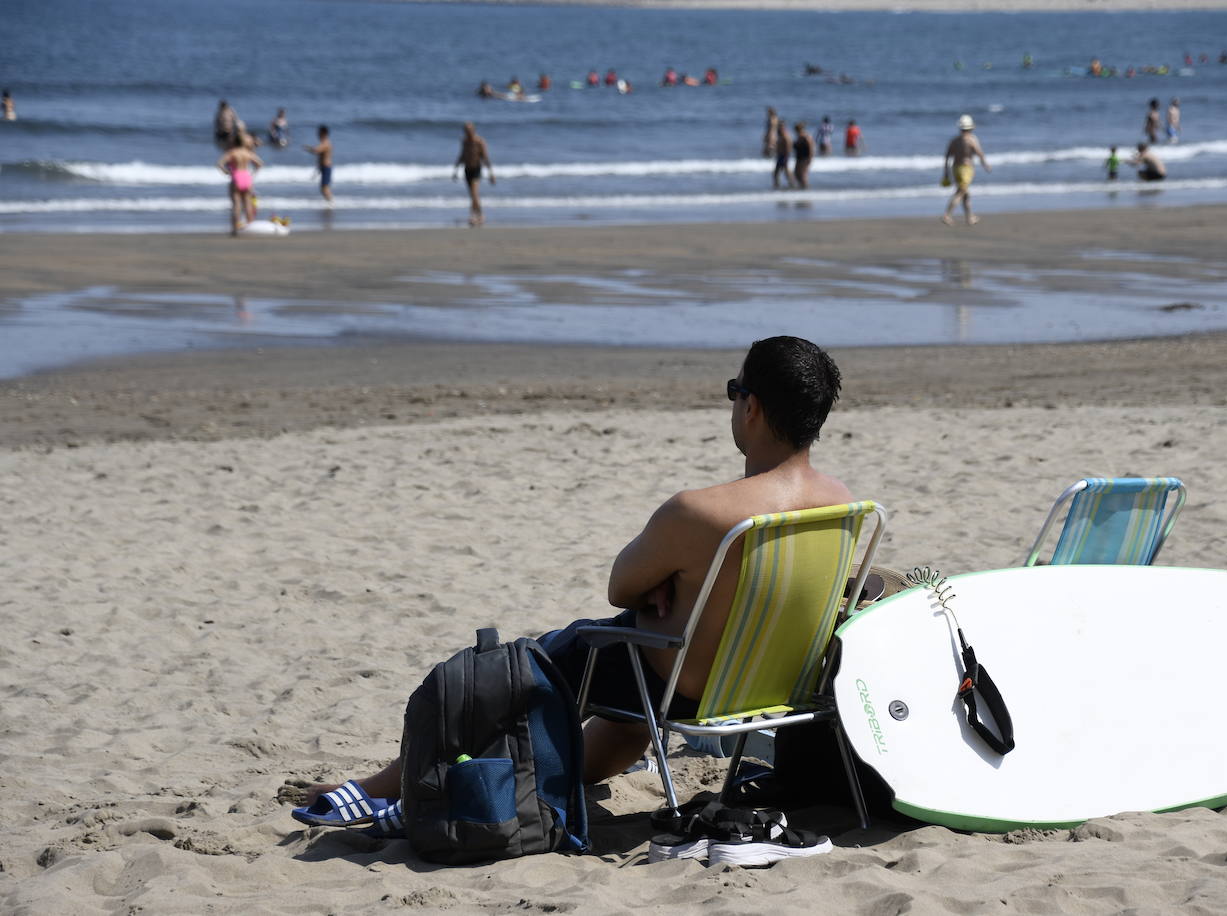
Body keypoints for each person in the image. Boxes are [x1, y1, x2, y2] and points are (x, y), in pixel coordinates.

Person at [283, 336, 855, 799]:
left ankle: (389, 786)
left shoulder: (700, 512)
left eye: (735, 391)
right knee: (623, 713)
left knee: (534, 666)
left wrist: (662, 586)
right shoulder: (845, 507)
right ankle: (541, 779)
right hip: (776, 688)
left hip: (682, 690)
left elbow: (620, 587)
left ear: (750, 406)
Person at [941, 114, 991, 226]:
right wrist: (986, 165)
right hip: (966, 169)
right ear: (971, 128)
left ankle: (969, 217)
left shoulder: (954, 141)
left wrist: (946, 173)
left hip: (955, 169)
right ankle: (947, 215)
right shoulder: (971, 140)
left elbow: (947, 156)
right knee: (961, 192)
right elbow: (980, 153)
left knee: (965, 194)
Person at [216, 134, 263, 236]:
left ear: (233, 142)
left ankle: (234, 229)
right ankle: (250, 227)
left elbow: (219, 163)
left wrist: (226, 172)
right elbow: (259, 163)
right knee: (248, 204)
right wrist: (253, 174)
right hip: (246, 176)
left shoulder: (232, 152)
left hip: (236, 176)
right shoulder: (247, 152)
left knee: (236, 205)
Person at [453, 121, 494, 227]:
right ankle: (477, 215)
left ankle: (476, 215)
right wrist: (455, 170)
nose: (468, 132)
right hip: (467, 170)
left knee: (474, 193)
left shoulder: (479, 141)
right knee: (472, 195)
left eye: (469, 130)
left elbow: (485, 157)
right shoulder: (465, 142)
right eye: (466, 131)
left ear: (473, 130)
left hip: (476, 169)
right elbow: (462, 156)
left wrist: (491, 173)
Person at [305, 124, 334, 203]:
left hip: (326, 167)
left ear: (323, 134)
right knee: (323, 188)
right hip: (323, 167)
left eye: (319, 133)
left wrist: (308, 148)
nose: (317, 135)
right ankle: (329, 202)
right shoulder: (324, 143)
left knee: (325, 188)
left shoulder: (326, 143)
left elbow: (316, 150)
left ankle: (331, 202)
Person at [772, 121, 794, 190]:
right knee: (777, 172)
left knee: (785, 171)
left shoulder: (785, 136)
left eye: (780, 127)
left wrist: (785, 156)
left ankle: (791, 184)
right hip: (780, 156)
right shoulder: (781, 136)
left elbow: (788, 147)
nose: (778, 128)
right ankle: (778, 184)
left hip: (784, 156)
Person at [792, 121, 813, 189]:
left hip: (805, 158)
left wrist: (810, 158)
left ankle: (805, 187)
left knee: (803, 174)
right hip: (799, 157)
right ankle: (801, 186)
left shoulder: (806, 137)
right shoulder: (799, 137)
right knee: (796, 173)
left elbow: (811, 147)